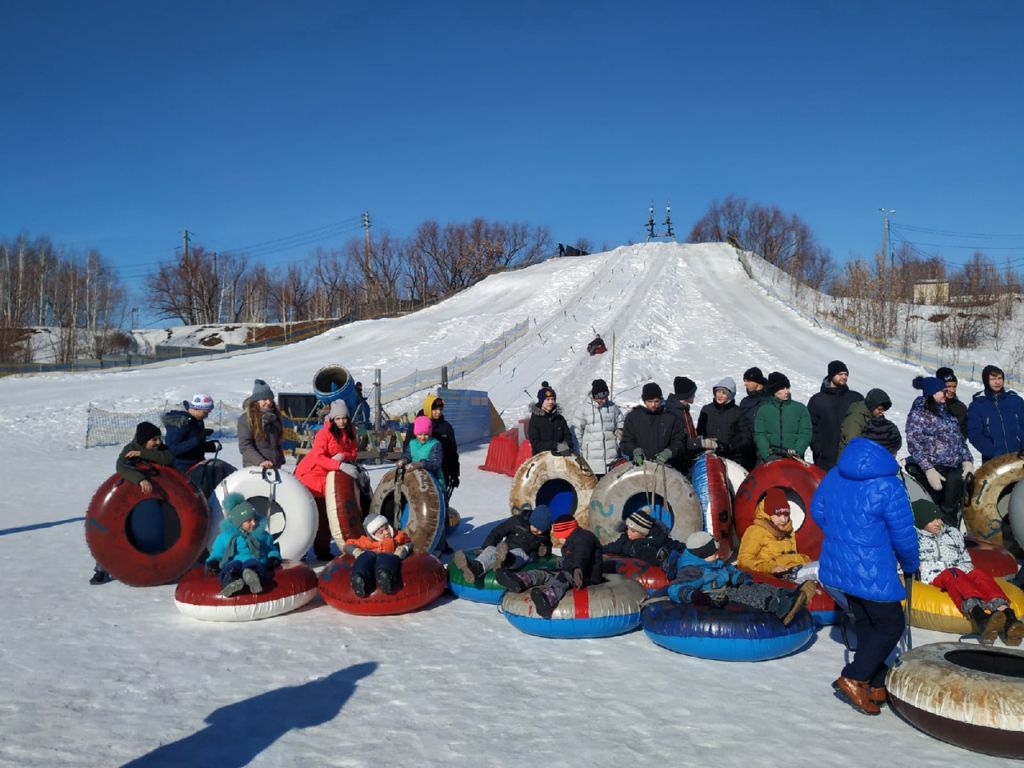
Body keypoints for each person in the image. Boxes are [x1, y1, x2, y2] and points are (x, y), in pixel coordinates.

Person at [811, 436, 920, 716]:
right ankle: (855, 676)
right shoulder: (889, 484)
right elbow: (903, 534)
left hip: (839, 563)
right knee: (891, 624)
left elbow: (817, 510)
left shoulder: (837, 472)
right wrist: (910, 563)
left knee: (868, 620)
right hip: (872, 567)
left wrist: (842, 536)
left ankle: (872, 680)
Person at [912, 499, 1023, 646]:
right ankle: (979, 616)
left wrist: (969, 571)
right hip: (936, 574)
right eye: (932, 521)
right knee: (953, 574)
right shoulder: (915, 538)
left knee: (979, 575)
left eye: (938, 518)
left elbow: (965, 557)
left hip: (960, 569)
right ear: (921, 521)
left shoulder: (952, 533)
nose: (938, 523)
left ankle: (1009, 617)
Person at [665, 531, 816, 626]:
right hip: (714, 596)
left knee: (756, 586)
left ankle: (787, 595)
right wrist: (694, 595)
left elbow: (729, 570)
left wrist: (739, 576)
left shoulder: (714, 562)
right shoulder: (692, 570)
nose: (718, 555)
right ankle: (779, 608)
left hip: (726, 588)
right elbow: (675, 588)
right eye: (714, 553)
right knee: (744, 594)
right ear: (702, 555)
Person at [91, 421, 176, 585]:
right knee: (116, 534)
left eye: (159, 438)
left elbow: (168, 458)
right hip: (129, 502)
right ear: (144, 440)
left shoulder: (160, 450)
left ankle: (158, 569)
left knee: (153, 534)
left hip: (155, 500)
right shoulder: (129, 449)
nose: (158, 442)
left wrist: (142, 454)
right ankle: (101, 569)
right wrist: (140, 479)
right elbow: (121, 467)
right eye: (154, 440)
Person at [494, 515, 604, 619]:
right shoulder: (572, 540)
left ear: (565, 532)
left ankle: (547, 599)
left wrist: (577, 568)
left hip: (585, 576)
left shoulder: (583, 537)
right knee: (544, 573)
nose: (558, 539)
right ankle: (519, 580)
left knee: (562, 578)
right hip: (571, 571)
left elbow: (582, 553)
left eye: (559, 535)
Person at [295, 400, 360, 561]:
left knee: (326, 518)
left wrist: (343, 456)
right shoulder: (324, 434)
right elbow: (318, 457)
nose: (342, 422)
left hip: (330, 478)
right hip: (311, 476)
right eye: (338, 419)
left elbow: (353, 451)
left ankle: (322, 551)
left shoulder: (351, 430)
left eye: (344, 418)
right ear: (332, 418)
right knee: (310, 516)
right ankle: (299, 550)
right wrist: (339, 465)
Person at [906, 375, 973, 527]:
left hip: (953, 469)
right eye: (942, 391)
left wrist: (967, 460)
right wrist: (928, 469)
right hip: (934, 470)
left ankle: (951, 537)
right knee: (935, 509)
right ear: (932, 393)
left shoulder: (948, 415)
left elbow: (959, 441)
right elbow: (914, 445)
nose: (946, 393)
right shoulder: (919, 415)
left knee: (951, 509)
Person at [204, 492, 282, 597]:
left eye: (254, 519)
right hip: (235, 562)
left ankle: (253, 578)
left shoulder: (262, 535)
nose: (254, 523)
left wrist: (273, 557)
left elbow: (270, 549)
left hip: (256, 560)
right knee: (232, 567)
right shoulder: (226, 537)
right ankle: (231, 582)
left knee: (252, 565)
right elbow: (218, 552)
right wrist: (213, 561)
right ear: (239, 523)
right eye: (249, 521)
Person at [451, 504, 553, 581]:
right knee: (491, 550)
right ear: (531, 520)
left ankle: (505, 560)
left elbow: (548, 547)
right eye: (536, 527)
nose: (538, 531)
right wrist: (486, 547)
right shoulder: (517, 521)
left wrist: (544, 550)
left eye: (541, 530)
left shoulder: (544, 535)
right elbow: (498, 532)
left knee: (518, 553)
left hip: (523, 554)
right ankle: (475, 568)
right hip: (505, 548)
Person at [736, 487, 817, 582]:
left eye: (786, 515)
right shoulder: (756, 531)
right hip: (776, 576)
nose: (783, 519)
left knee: (824, 568)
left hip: (794, 569)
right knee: (818, 572)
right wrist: (770, 568)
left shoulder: (788, 530)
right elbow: (744, 560)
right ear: (767, 514)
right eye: (778, 515)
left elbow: (791, 555)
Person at [807, 360, 863, 471]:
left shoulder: (855, 398)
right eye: (840, 374)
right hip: (825, 458)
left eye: (846, 374)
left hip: (851, 455)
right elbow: (810, 426)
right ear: (832, 375)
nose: (844, 377)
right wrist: (818, 449)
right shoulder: (818, 400)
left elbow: (866, 422)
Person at [342, 514, 413, 598]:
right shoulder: (366, 541)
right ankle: (359, 579)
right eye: (381, 532)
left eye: (387, 528)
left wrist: (404, 549)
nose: (386, 532)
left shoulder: (398, 536)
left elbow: (409, 543)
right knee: (365, 557)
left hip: (388, 558)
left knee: (387, 558)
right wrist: (356, 551)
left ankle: (385, 577)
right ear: (373, 535)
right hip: (370, 560)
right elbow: (348, 544)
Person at [402, 393, 460, 497]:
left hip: (441, 473)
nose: (438, 412)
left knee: (440, 504)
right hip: (416, 475)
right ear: (428, 408)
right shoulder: (416, 426)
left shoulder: (446, 428)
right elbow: (407, 449)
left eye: (440, 409)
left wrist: (455, 474)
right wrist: (405, 464)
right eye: (435, 409)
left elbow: (452, 452)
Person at [619, 382, 687, 469]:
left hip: (665, 467)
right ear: (644, 401)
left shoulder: (671, 417)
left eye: (656, 401)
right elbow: (626, 441)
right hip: (639, 467)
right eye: (649, 401)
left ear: (661, 400)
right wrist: (634, 450)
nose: (653, 405)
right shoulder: (633, 417)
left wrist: (669, 452)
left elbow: (679, 441)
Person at [967, 364, 1024, 463]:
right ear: (986, 381)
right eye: (993, 379)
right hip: (994, 461)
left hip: (1019, 457)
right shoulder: (977, 405)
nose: (997, 382)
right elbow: (975, 435)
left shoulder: (1015, 400)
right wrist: (994, 452)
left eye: (1000, 378)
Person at [753, 372, 811, 463]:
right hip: (769, 459)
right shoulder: (763, 410)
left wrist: (797, 452)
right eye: (782, 388)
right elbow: (760, 434)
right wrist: (767, 455)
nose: (786, 391)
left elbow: (805, 433)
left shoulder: (800, 409)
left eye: (787, 388)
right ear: (774, 390)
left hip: (794, 459)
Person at [572, 378, 624, 477]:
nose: (603, 400)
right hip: (591, 461)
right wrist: (578, 452)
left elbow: (621, 425)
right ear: (594, 396)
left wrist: (617, 441)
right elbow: (576, 432)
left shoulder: (613, 408)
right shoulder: (583, 409)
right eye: (600, 398)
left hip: (611, 460)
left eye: (605, 397)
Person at [603, 508, 685, 569]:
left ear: (643, 533)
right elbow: (615, 546)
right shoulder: (625, 538)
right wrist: (600, 548)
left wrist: (685, 549)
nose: (628, 532)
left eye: (633, 531)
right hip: (632, 564)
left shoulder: (658, 539)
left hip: (653, 564)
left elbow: (673, 544)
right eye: (628, 528)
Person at [696, 377, 750, 466]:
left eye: (724, 393)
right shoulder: (706, 410)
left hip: (731, 458)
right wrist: (704, 443)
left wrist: (728, 447)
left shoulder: (738, 412)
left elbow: (745, 439)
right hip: (709, 456)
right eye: (718, 392)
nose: (720, 395)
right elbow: (699, 432)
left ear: (730, 395)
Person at [161, 393, 220, 472]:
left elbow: (191, 444)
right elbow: (172, 450)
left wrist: (206, 446)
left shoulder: (196, 419)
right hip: (182, 469)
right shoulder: (180, 422)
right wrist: (197, 440)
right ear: (196, 408)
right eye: (205, 412)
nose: (206, 416)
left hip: (197, 464)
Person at [664, 376, 708, 473]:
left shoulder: (683, 409)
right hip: (677, 465)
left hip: (686, 460)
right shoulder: (673, 413)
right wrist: (700, 443)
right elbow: (679, 442)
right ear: (686, 395)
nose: (694, 396)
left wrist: (696, 438)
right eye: (693, 393)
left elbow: (687, 434)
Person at [237, 379, 285, 469]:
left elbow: (277, 443)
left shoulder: (275, 417)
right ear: (256, 401)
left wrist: (280, 459)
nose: (269, 402)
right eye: (264, 399)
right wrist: (260, 461)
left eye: (270, 399)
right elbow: (245, 446)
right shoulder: (246, 419)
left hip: (274, 466)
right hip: (255, 467)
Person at [839, 388, 902, 456]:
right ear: (871, 406)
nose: (882, 412)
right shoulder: (855, 419)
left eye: (884, 410)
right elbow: (853, 442)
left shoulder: (873, 416)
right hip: (850, 458)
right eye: (879, 409)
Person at [737, 366, 771, 469]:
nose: (745, 383)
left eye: (748, 381)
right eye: (744, 380)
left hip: (765, 450)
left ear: (757, 382)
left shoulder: (770, 400)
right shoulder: (745, 402)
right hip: (748, 450)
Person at [527, 382, 573, 455]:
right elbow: (536, 445)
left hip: (561, 454)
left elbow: (568, 436)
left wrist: (565, 444)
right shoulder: (535, 420)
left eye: (552, 399)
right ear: (542, 401)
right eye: (547, 399)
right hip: (542, 458)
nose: (551, 402)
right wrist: (556, 445)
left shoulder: (560, 419)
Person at [936, 367, 967, 437]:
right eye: (948, 386)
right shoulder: (927, 403)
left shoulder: (960, 408)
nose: (952, 390)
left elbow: (962, 436)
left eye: (954, 386)